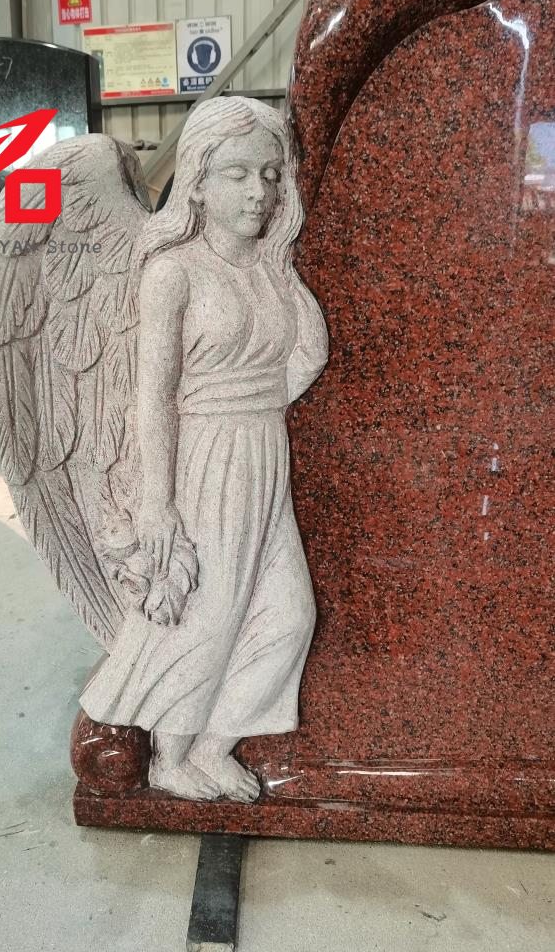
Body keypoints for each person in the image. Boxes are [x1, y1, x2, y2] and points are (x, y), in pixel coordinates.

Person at [80, 97, 329, 802]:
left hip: (263, 449)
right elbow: (152, 396)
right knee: (209, 616)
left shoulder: (273, 269)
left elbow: (307, 355)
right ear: (196, 182)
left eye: (272, 175)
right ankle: (170, 756)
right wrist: (156, 504)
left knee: (287, 615)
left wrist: (261, 398)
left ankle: (214, 745)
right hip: (205, 457)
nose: (260, 192)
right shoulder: (174, 272)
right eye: (238, 174)